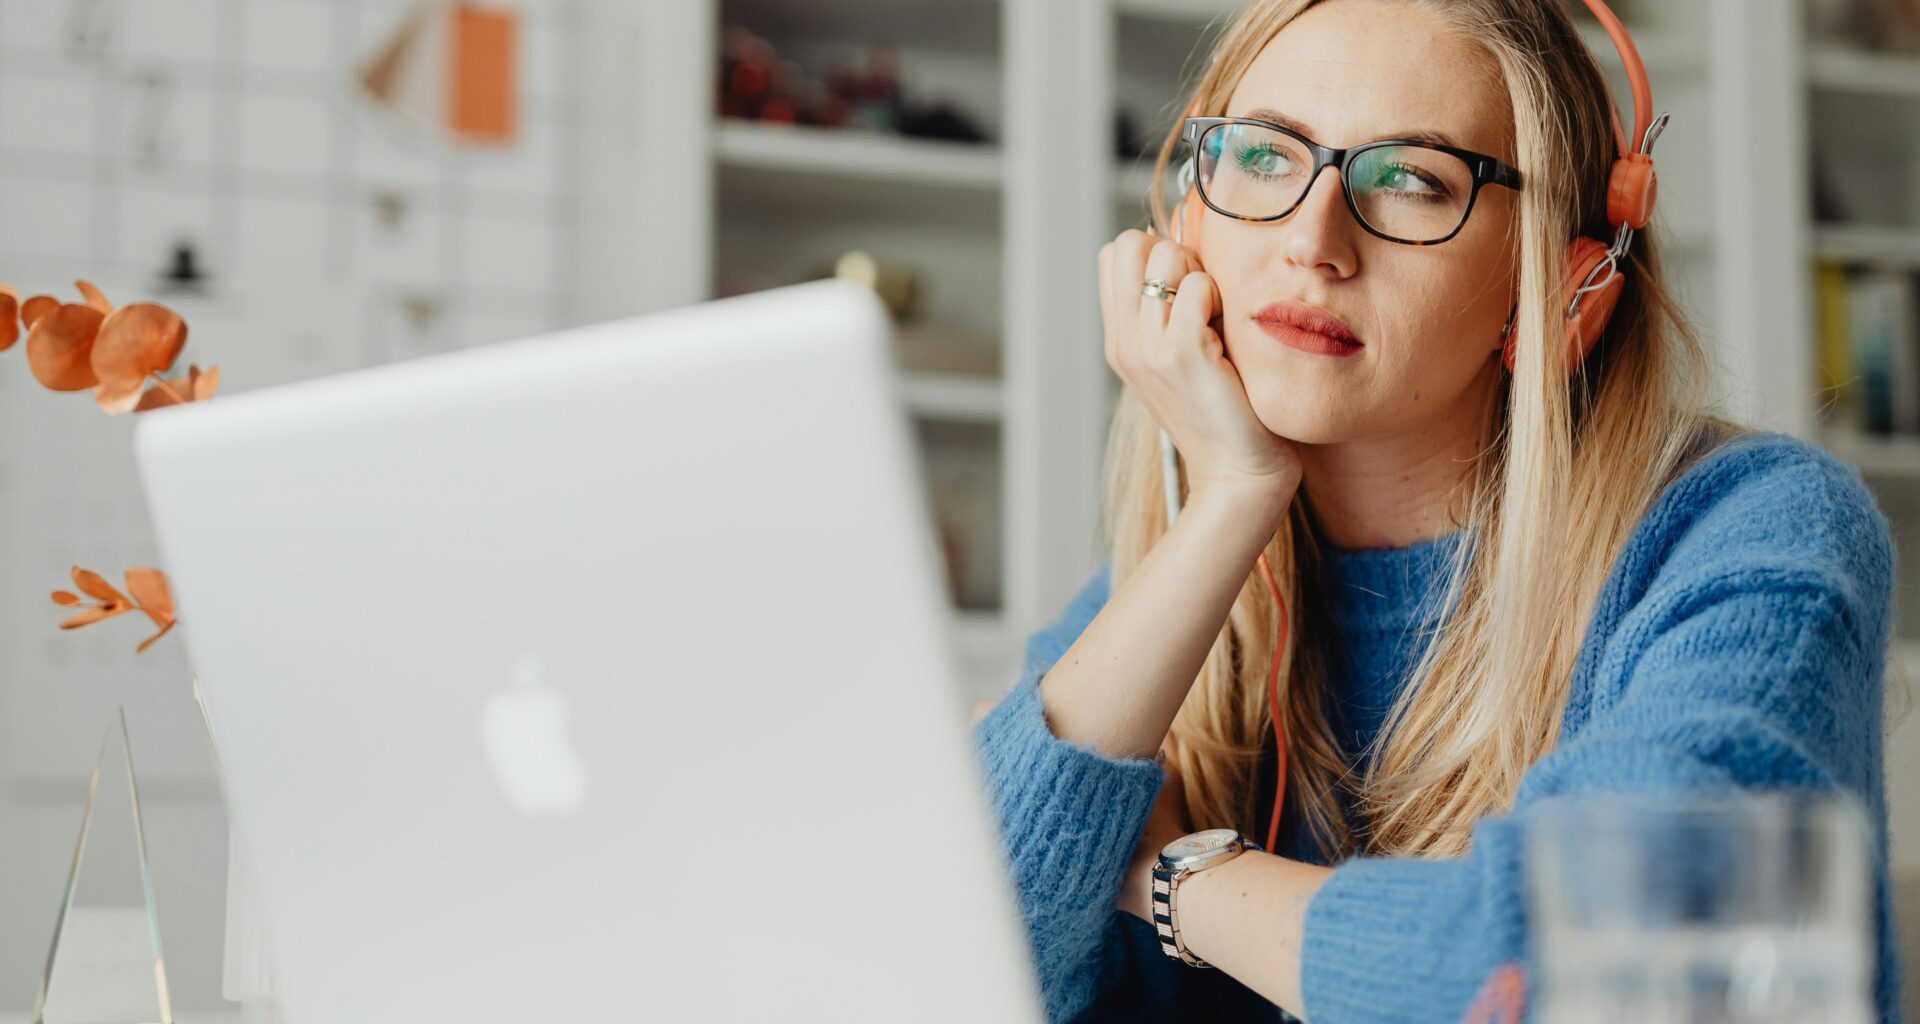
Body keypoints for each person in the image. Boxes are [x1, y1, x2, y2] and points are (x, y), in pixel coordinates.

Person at [967, 1, 1909, 1022]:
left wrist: (1178, 881)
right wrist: (1232, 498)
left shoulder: (1750, 534)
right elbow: (949, 949)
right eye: (1268, 156)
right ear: (1189, 219)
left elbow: (1605, 971)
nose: (1312, 241)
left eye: (1413, 180)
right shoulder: (1188, 588)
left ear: (1564, 283)